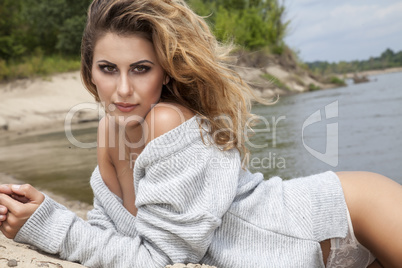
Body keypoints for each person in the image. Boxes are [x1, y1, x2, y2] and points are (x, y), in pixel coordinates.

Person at [0, 0, 401, 267]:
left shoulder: (167, 122)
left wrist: (53, 225)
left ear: (165, 70)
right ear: (90, 70)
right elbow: (114, 236)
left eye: (141, 68)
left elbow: (162, 260)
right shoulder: (109, 130)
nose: (123, 89)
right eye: (108, 68)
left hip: (347, 212)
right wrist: (41, 212)